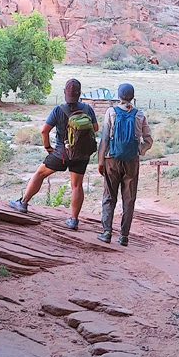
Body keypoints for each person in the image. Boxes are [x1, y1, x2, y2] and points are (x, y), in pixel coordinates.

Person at [9, 78, 99, 229]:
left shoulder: (58, 110)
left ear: (65, 93)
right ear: (79, 94)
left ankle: (23, 203)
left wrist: (47, 147)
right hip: (81, 155)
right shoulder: (88, 109)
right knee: (77, 186)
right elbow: (95, 128)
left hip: (61, 154)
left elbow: (44, 130)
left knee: (40, 174)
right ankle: (73, 220)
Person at [96, 82, 153, 246]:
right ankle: (124, 236)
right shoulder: (140, 115)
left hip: (112, 160)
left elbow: (105, 139)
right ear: (132, 97)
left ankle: (107, 232)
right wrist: (139, 150)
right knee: (128, 198)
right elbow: (149, 140)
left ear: (119, 97)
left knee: (109, 196)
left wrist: (101, 162)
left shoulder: (111, 112)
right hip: (131, 162)